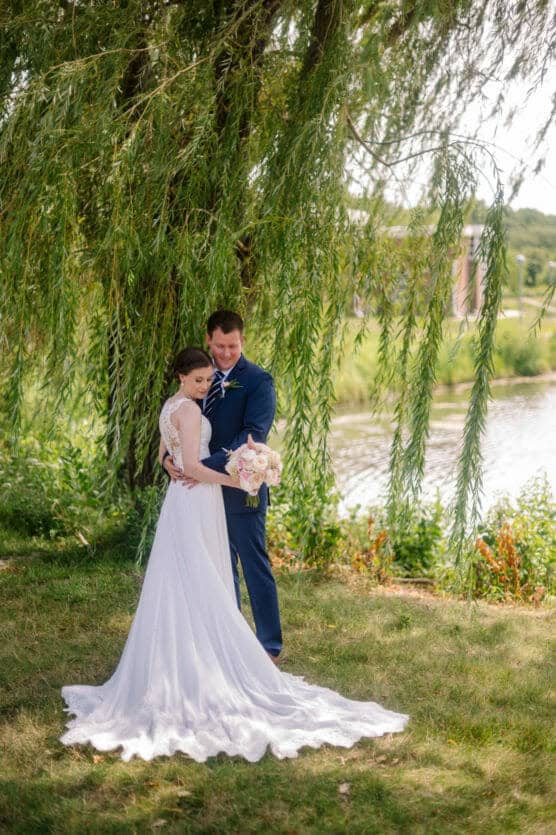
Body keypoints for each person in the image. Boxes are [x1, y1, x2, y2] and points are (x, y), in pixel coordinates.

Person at [60, 347, 408, 762]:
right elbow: (191, 466)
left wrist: (171, 459)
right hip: (197, 498)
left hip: (182, 502)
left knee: (184, 576)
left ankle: (186, 652)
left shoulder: (173, 405)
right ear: (181, 377)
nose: (205, 387)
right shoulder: (189, 411)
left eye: (208, 380)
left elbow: (165, 451)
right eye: (198, 381)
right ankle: (204, 659)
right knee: (202, 573)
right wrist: (235, 478)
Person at [163, 310, 282, 662]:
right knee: (218, 565)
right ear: (208, 341)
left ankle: (268, 645)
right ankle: (229, 638)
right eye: (219, 346)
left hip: (239, 486)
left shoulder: (259, 381)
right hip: (203, 492)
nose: (225, 353)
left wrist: (196, 467)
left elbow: (252, 436)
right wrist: (168, 460)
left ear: (242, 341)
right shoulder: (201, 376)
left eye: (232, 346)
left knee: (253, 562)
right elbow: (178, 423)